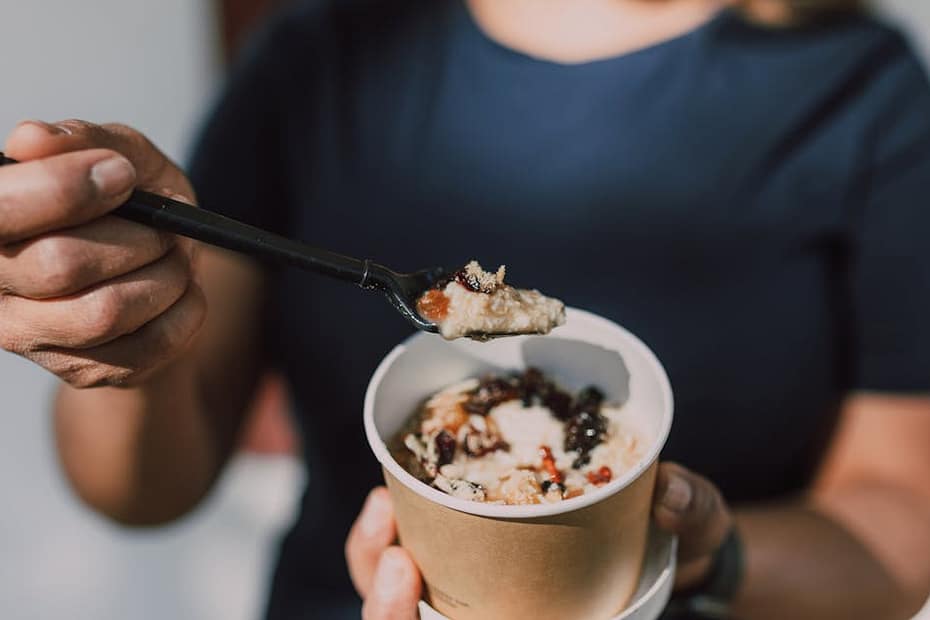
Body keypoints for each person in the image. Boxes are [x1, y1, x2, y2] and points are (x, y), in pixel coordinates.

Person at [1, 0, 929, 618]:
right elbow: (142, 489)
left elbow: (901, 518)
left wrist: (699, 560)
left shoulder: (861, 90)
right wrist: (129, 324)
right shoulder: (323, 55)